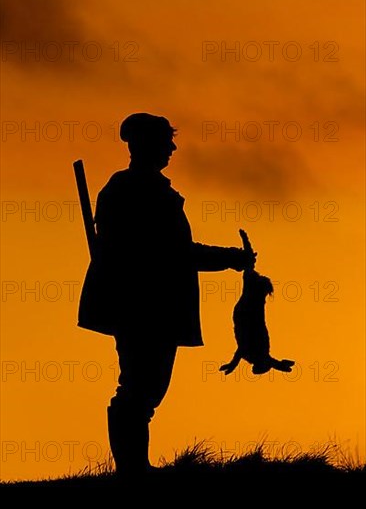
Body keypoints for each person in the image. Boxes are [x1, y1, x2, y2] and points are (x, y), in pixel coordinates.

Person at [78, 113, 256, 476]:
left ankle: (135, 467)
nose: (172, 148)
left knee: (146, 387)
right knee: (139, 387)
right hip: (144, 305)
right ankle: (133, 469)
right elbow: (171, 253)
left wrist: (227, 259)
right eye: (165, 141)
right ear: (146, 144)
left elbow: (172, 252)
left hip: (148, 304)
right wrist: (229, 258)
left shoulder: (139, 189)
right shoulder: (137, 191)